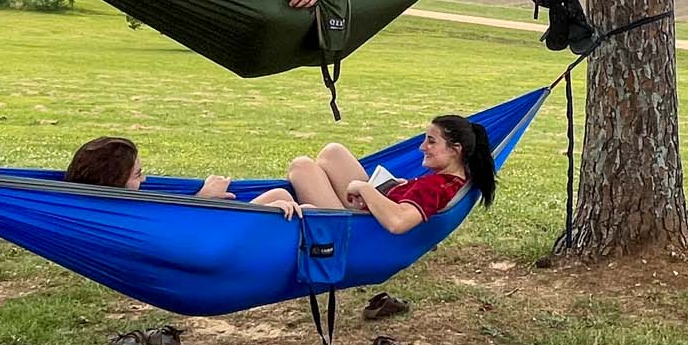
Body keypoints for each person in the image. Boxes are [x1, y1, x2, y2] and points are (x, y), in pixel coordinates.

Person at [246, 115, 496, 233]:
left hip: (353, 228)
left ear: (456, 150)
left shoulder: (434, 187)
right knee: (332, 152)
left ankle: (228, 216)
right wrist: (400, 187)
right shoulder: (460, 177)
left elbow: (398, 222)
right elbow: (418, 202)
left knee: (301, 167)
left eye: (431, 141)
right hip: (371, 207)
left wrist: (364, 188)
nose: (422, 148)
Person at [64, 135, 232, 200]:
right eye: (137, 175)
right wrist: (203, 199)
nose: (144, 180)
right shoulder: (118, 218)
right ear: (115, 181)